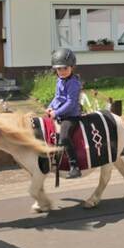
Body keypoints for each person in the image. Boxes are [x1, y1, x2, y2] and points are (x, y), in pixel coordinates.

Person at [46, 48, 82, 178]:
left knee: (65, 136)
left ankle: (74, 166)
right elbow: (57, 98)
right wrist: (50, 107)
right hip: (59, 113)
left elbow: (70, 103)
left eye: (65, 68)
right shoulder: (59, 81)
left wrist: (56, 113)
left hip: (70, 116)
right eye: (59, 69)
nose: (62, 71)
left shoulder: (73, 83)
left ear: (72, 67)